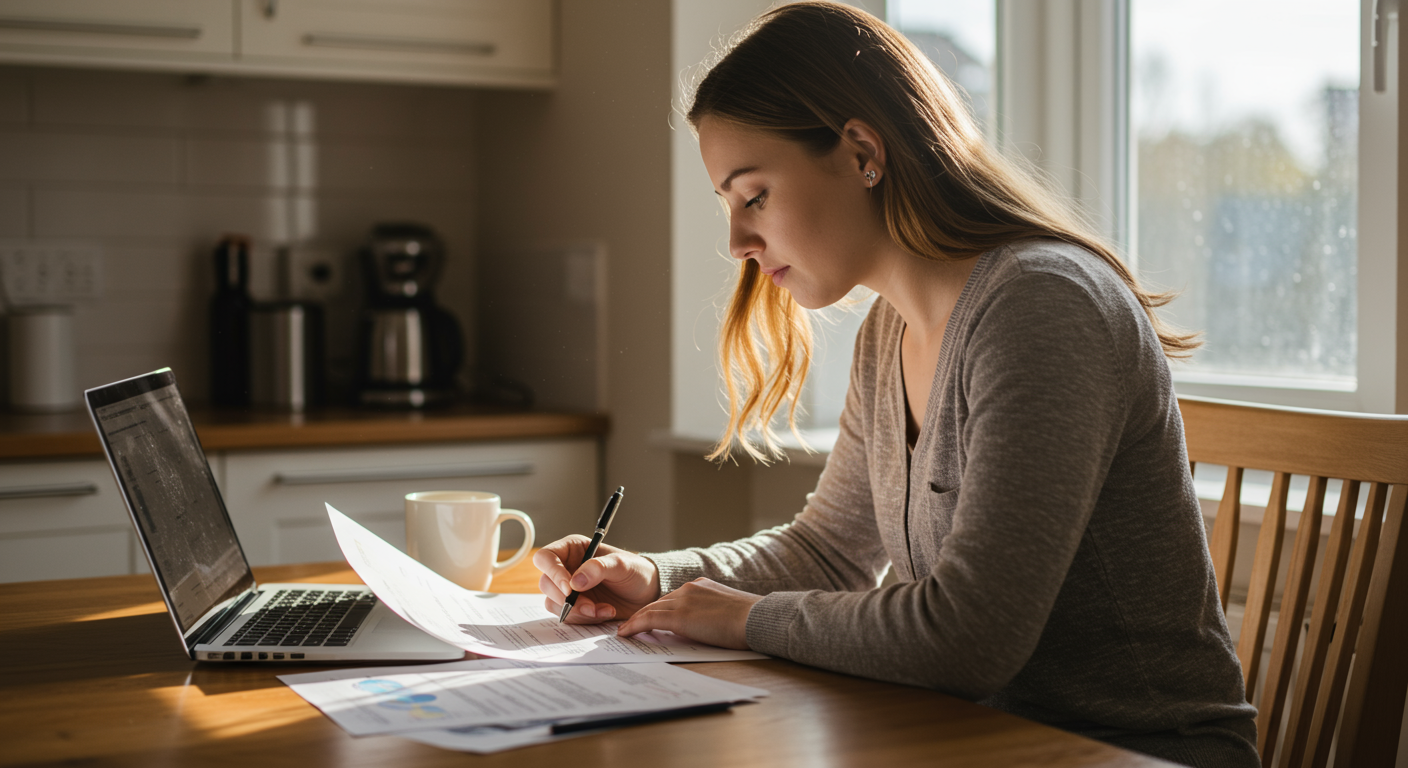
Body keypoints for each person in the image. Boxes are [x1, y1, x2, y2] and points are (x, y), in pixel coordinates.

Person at [533, 3, 1259, 765]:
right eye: (729, 205)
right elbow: (828, 550)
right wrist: (657, 579)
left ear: (859, 152)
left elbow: (970, 638)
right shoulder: (891, 331)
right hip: (977, 737)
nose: (738, 242)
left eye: (755, 197)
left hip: (1131, 751)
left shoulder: (1042, 303)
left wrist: (744, 619)